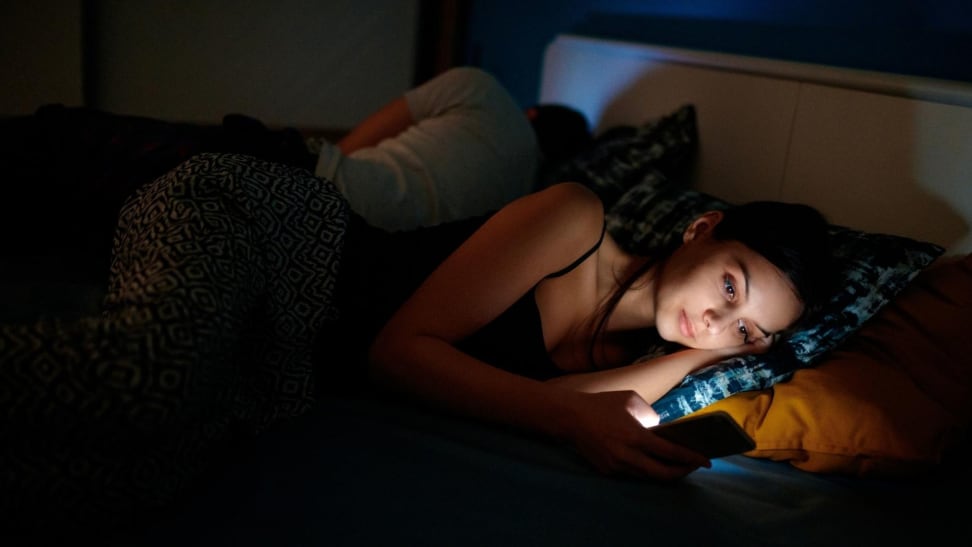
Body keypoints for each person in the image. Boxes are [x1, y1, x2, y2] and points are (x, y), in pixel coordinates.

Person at [0, 153, 831, 533]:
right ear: (702, 228)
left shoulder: (635, 370)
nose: (722, 322)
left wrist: (717, 357)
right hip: (278, 242)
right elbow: (400, 355)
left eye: (748, 328)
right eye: (730, 284)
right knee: (147, 380)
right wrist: (578, 419)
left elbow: (563, 409)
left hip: (283, 363)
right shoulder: (574, 218)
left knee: (116, 478)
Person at [315, 66, 590, 231]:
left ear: (532, 113)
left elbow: (361, 139)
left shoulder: (481, 88)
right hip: (370, 255)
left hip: (340, 189)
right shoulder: (523, 201)